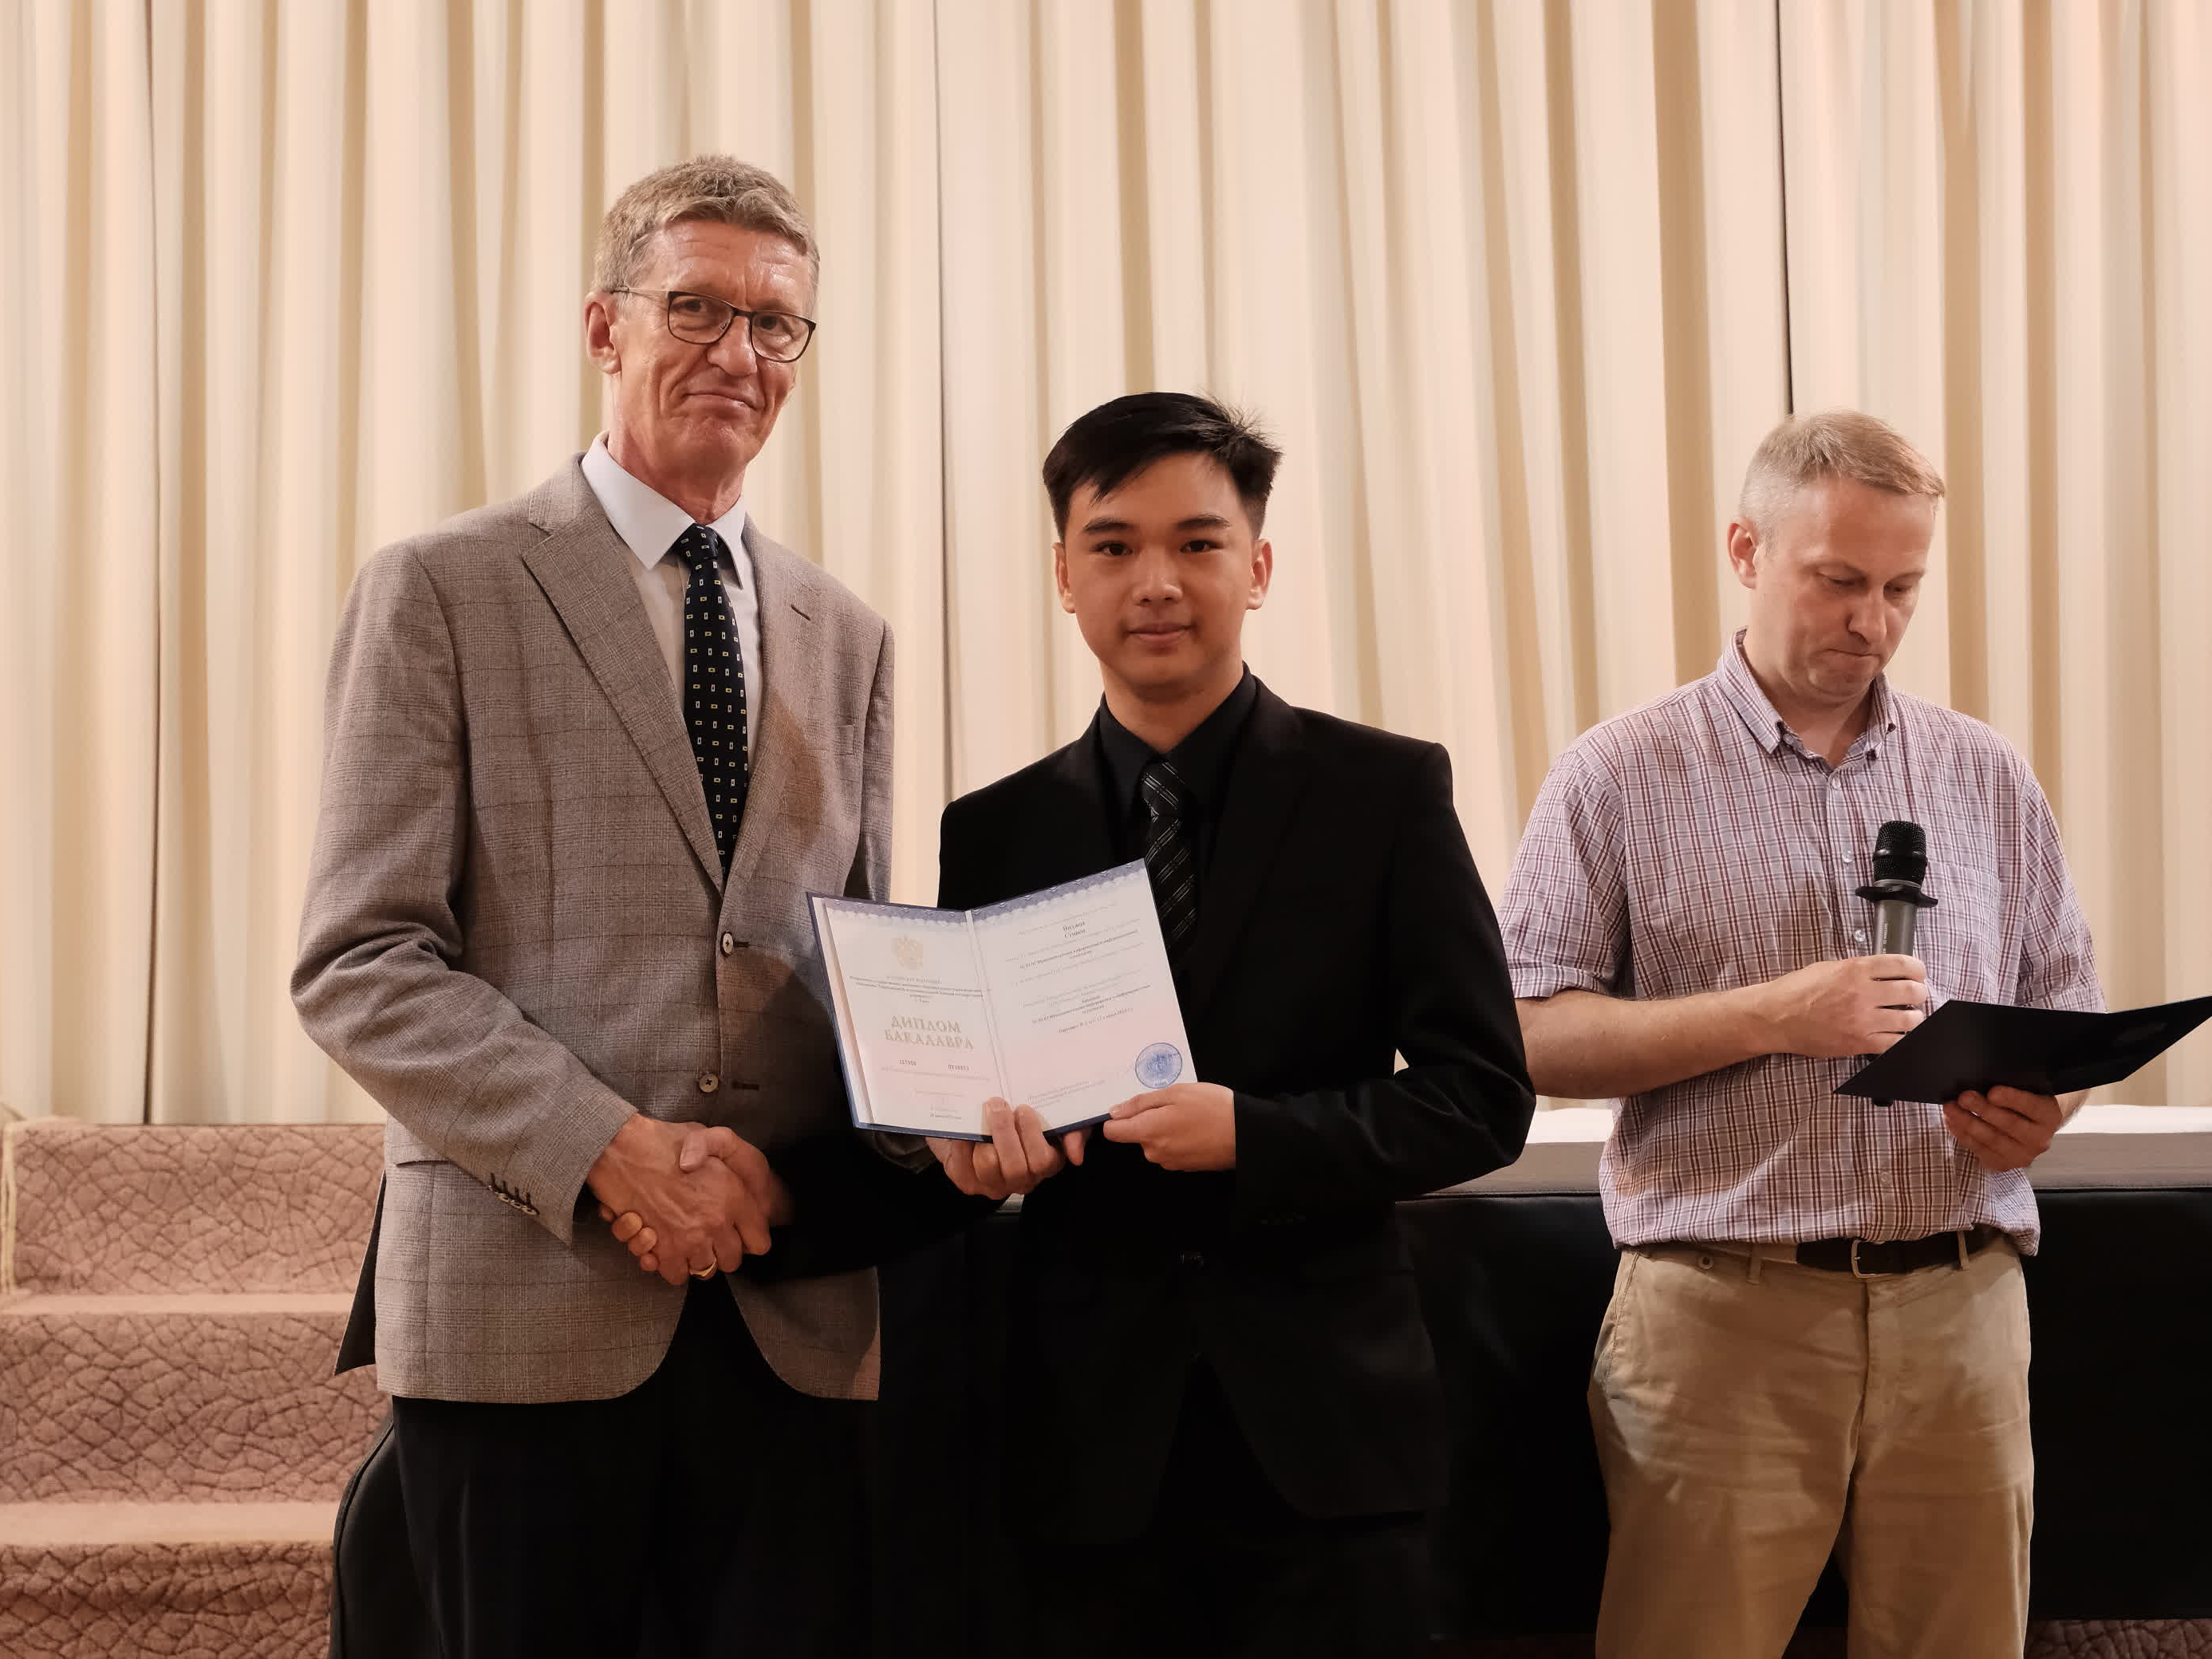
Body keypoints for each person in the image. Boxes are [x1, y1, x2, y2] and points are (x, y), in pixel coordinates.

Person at [294, 155, 957, 1659]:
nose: (740, 352)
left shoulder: (848, 634)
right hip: (525, 1312)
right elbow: (361, 960)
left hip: (789, 1318)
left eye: (776, 324)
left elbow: (850, 971)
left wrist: (947, 1114)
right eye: (697, 308)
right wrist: (611, 1150)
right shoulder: (443, 586)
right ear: (606, 326)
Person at [927, 391, 1536, 1657]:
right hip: (1086, 1442)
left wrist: (1258, 1136)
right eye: (1113, 546)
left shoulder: (1384, 792)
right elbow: (972, 1105)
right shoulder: (992, 832)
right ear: (1065, 577)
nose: (1156, 582)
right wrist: (973, 1154)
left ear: (1256, 567)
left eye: (1197, 544)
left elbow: (1481, 1097)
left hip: (1332, 1437)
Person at [1499, 409, 2104, 1659]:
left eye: (1901, 588)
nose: (1871, 621)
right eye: (1838, 579)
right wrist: (1776, 1015)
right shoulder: (1617, 774)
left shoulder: (1985, 773)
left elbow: (2067, 1008)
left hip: (1963, 1308)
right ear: (1746, 551)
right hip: (1722, 1317)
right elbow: (1529, 1032)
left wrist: (2042, 1107)